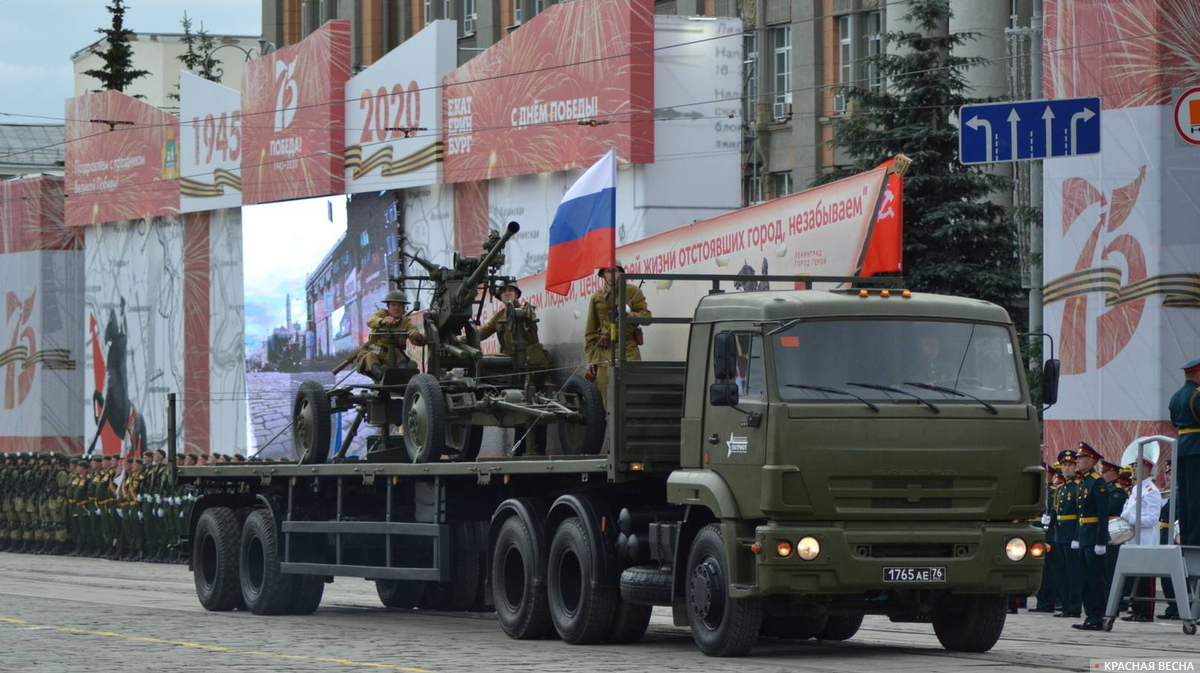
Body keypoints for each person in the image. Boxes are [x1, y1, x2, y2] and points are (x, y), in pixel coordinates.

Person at [585, 262, 651, 408]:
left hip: (628, 348)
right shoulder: (597, 297)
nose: (611, 275)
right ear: (602, 275)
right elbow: (590, 332)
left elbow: (647, 318)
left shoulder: (632, 292)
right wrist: (590, 359)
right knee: (607, 397)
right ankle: (611, 427)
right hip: (604, 352)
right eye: (608, 271)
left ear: (621, 273)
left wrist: (630, 314)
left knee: (633, 393)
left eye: (615, 271)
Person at [1072, 441, 1110, 631]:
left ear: (1091, 460)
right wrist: (1077, 537)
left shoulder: (1097, 482)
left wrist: (1101, 541)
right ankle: (1089, 616)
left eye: (1081, 458)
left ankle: (1098, 616)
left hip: (1095, 536)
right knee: (1085, 579)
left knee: (1096, 579)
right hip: (1084, 535)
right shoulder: (1083, 481)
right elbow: (1081, 514)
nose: (1078, 461)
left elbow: (1103, 514)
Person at [1119, 457, 1162, 622]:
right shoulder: (1137, 488)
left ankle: (1146, 612)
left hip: (1146, 540)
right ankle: (1137, 609)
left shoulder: (1152, 491)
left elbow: (1151, 519)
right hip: (1134, 538)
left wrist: (1130, 519)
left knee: (1146, 579)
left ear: (1145, 469)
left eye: (1136, 466)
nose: (1133, 469)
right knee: (1136, 576)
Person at [357, 290, 427, 382]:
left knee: (404, 369)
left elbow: (419, 338)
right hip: (375, 351)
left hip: (394, 354)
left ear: (404, 307)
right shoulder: (382, 314)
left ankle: (399, 379)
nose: (397, 308)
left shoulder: (405, 322)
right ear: (388, 307)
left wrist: (418, 336)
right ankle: (383, 376)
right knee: (371, 360)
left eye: (400, 305)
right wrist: (382, 321)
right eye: (393, 305)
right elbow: (370, 321)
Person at [1169, 358, 1199, 546]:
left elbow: (1174, 422)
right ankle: (1196, 538)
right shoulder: (1196, 396)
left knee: (1185, 495)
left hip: (1181, 448)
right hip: (1197, 448)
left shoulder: (1176, 396)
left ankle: (1186, 535)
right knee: (1196, 496)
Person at [1054, 450, 1082, 618]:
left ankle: (1074, 607)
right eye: (1064, 465)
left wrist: (1076, 537)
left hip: (1071, 533)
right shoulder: (1060, 488)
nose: (1066, 468)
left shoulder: (1078, 486)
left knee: (1073, 573)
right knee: (1062, 573)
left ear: (1075, 467)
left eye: (1069, 465)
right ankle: (1065, 606)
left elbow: (1080, 514)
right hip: (1060, 534)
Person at [1031, 461, 1061, 612]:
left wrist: (1051, 518)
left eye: (1046, 474)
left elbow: (1057, 508)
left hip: (1048, 532)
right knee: (1039, 568)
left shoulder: (1054, 491)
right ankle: (1041, 600)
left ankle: (1048, 601)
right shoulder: (1036, 490)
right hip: (1034, 528)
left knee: (1048, 569)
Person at [1159, 459, 1179, 619]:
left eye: (1171, 472)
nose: (1168, 476)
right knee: (1166, 574)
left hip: (1176, 536)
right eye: (1167, 473)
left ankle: (1179, 607)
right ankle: (1171, 606)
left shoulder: (1182, 493)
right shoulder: (1169, 494)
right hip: (1165, 535)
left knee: (1178, 575)